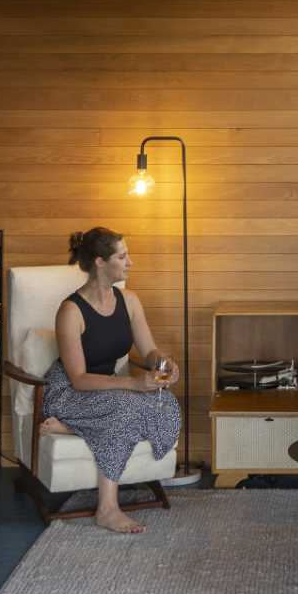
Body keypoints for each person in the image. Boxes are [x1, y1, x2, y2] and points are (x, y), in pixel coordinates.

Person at [39, 226, 182, 534]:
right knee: (126, 408)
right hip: (70, 391)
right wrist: (133, 384)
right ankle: (107, 508)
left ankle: (74, 428)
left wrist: (164, 364)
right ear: (101, 262)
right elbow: (78, 378)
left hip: (107, 388)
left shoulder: (129, 300)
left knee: (165, 401)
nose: (130, 263)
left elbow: (148, 351)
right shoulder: (70, 311)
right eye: (123, 256)